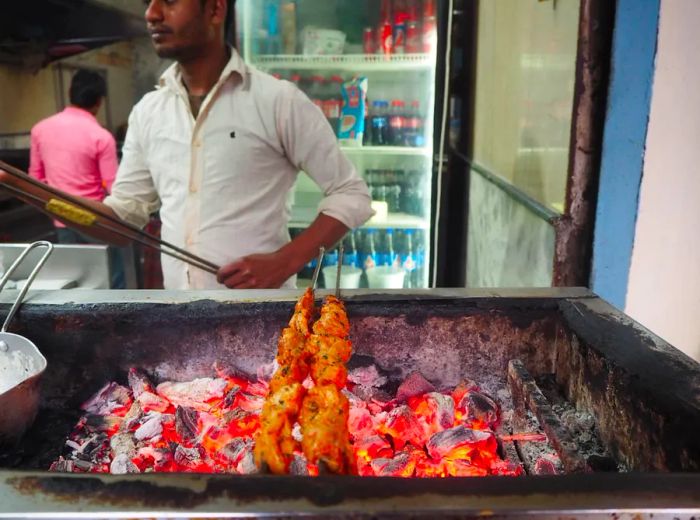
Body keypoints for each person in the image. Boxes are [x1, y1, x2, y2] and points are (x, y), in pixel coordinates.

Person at [0, 0, 373, 289]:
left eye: (170, 1)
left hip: (260, 315)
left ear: (214, 9)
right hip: (181, 319)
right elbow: (121, 223)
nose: (151, 14)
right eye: (149, 2)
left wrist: (286, 261)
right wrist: (19, 186)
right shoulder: (149, 112)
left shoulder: (278, 101)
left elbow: (350, 194)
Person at [28, 69, 126, 289]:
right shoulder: (101, 136)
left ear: (70, 93)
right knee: (111, 280)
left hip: (61, 219)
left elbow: (35, 178)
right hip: (95, 222)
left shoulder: (40, 130)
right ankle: (116, 322)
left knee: (76, 283)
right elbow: (113, 186)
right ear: (99, 101)